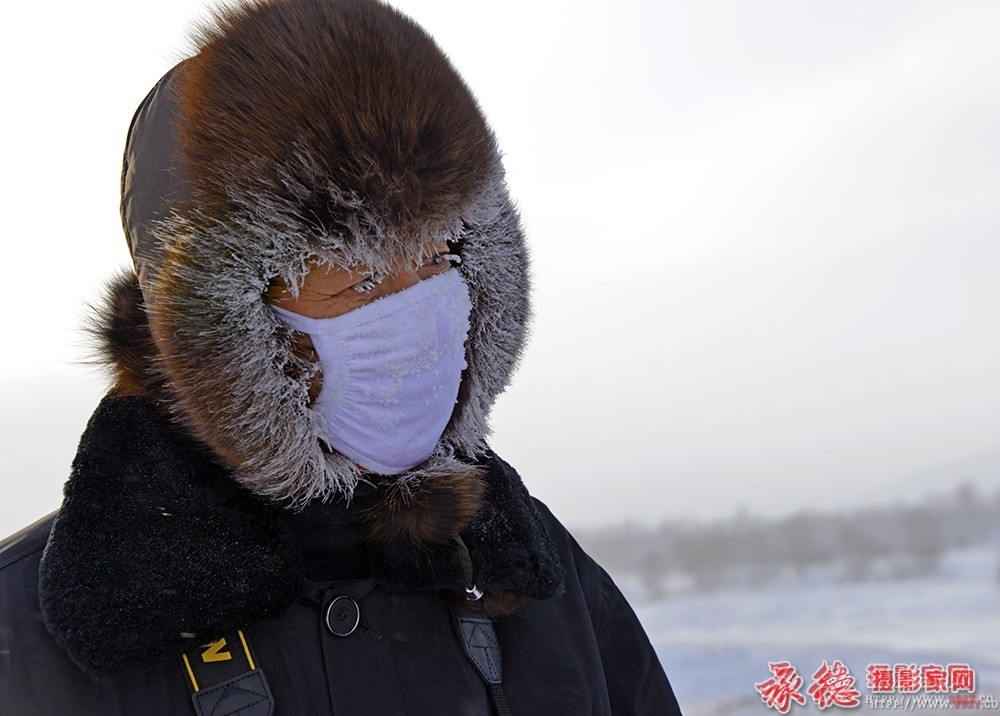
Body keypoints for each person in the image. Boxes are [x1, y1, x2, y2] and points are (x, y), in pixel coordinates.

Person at [0, 0, 682, 713]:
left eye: (439, 255)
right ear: (221, 323)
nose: (420, 312)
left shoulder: (540, 581)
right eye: (358, 273)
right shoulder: (27, 639)